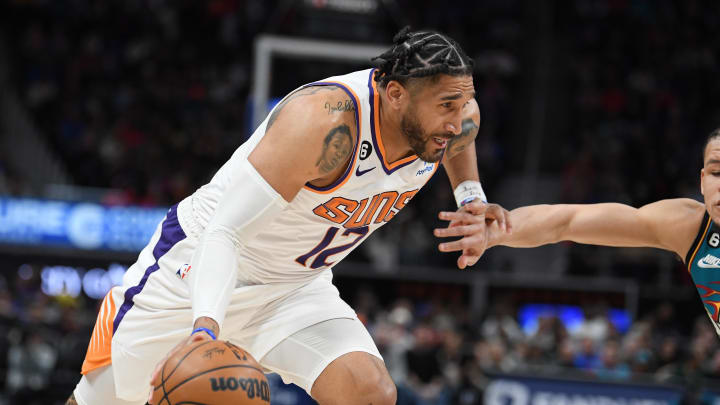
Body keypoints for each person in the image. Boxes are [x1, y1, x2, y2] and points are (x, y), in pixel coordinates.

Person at [68, 27, 511, 405]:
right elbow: (225, 232)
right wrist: (205, 328)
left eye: (463, 104)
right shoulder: (324, 122)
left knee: (370, 393)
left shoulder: (454, 116)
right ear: (395, 94)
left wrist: (470, 197)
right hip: (200, 270)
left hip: (295, 288)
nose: (458, 121)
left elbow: (463, 137)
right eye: (446, 106)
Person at [435, 128, 720, 337]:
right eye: (716, 172)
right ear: (703, 181)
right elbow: (566, 221)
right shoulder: (690, 226)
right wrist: (497, 233)